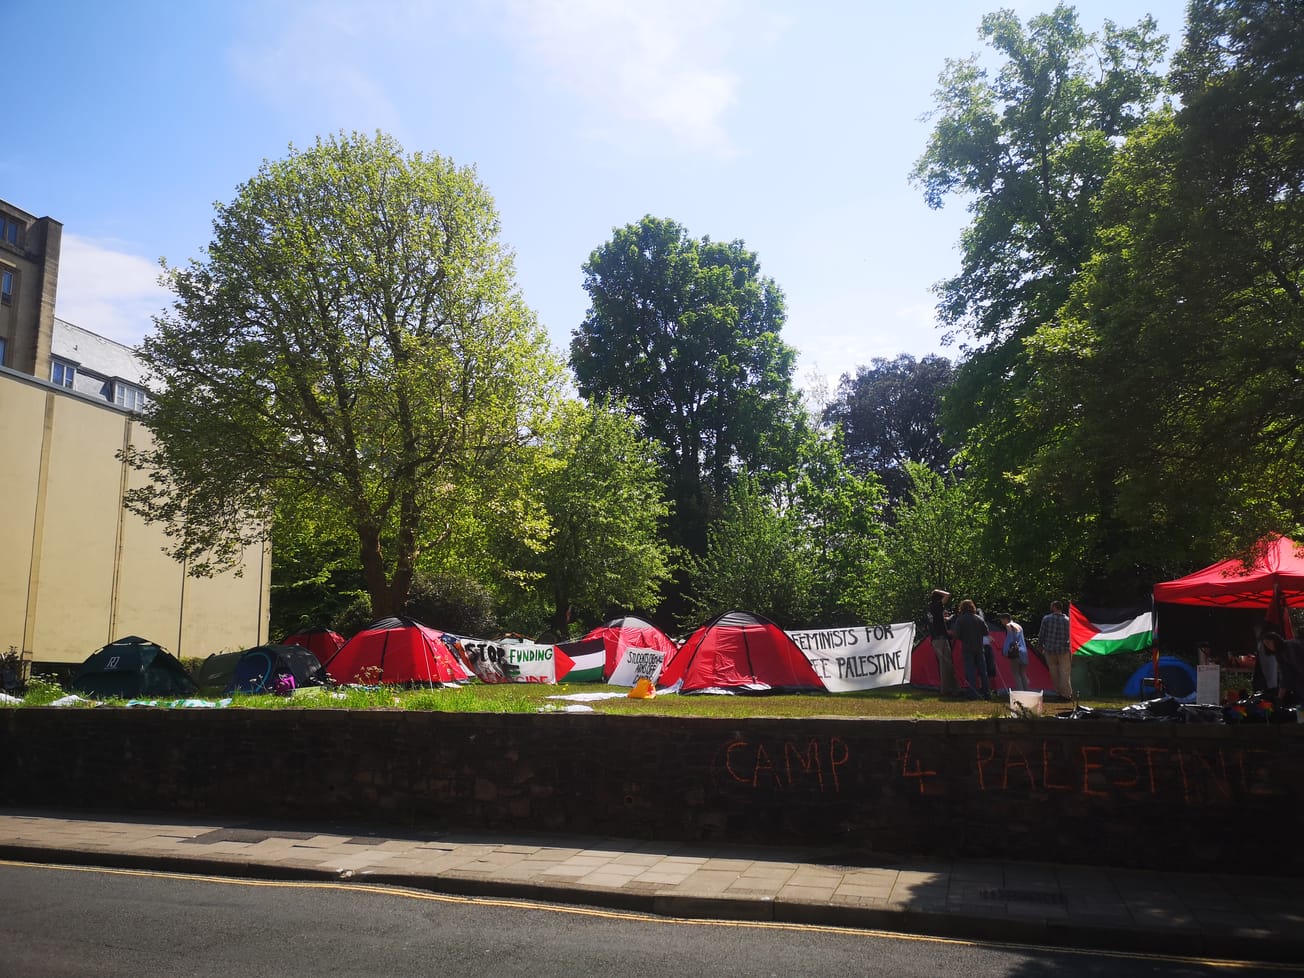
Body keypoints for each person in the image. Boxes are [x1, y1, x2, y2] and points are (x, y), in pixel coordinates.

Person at [952, 599, 990, 700]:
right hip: (979, 647)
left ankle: (973, 693)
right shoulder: (979, 619)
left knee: (970, 671)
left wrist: (963, 638)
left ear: (962, 607)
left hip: (967, 647)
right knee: (983, 671)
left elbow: (956, 634)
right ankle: (987, 693)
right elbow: (986, 632)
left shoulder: (960, 619)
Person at [1037, 600, 1073, 701]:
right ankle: (1065, 694)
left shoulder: (1046, 619)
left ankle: (1058, 692)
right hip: (1063, 649)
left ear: (1053, 607)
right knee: (1064, 672)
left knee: (1053, 671)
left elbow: (1042, 633)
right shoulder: (1068, 620)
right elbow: (1071, 635)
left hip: (1049, 649)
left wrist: (1040, 645)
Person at [928, 589, 959, 696]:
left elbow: (936, 621)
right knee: (946, 664)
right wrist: (937, 591)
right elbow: (948, 595)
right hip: (940, 638)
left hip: (935, 638)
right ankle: (946, 690)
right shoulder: (937, 605)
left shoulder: (930, 608)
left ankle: (951, 688)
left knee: (944, 663)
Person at [999, 612, 1029, 692]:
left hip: (1015, 652)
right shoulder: (1018, 626)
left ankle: (1020, 692)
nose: (1002, 623)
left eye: (1002, 620)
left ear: (1005, 619)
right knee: (1022, 673)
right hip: (1023, 651)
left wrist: (1005, 651)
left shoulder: (1009, 626)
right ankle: (1026, 691)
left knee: (1015, 673)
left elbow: (1010, 640)